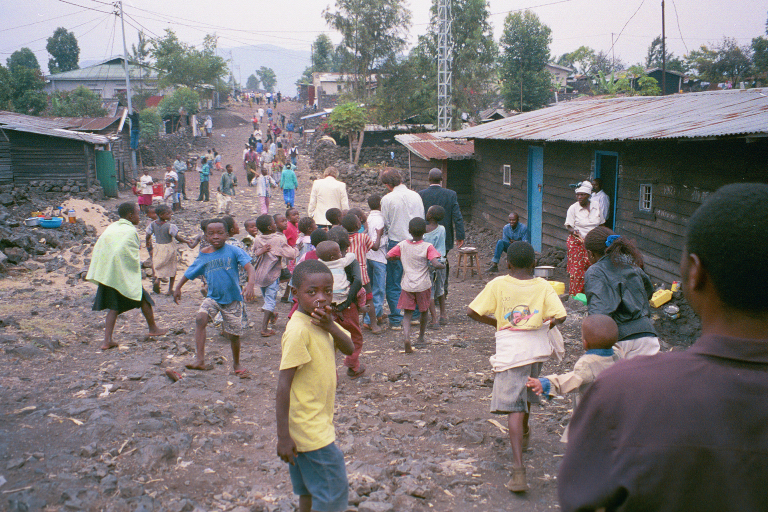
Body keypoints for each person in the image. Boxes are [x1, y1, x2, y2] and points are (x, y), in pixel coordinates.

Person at [559, 182, 768, 511]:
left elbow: (580, 498)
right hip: (646, 335)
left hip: (619, 342)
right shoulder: (635, 270)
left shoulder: (625, 392)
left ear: (694, 274)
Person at [466, 241, 567, 493]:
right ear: (534, 264)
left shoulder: (498, 284)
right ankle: (525, 433)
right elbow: (561, 315)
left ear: (507, 263)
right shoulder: (542, 285)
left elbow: (472, 311)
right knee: (527, 393)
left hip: (511, 349)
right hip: (536, 350)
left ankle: (519, 470)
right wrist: (544, 326)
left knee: (514, 406)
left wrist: (498, 323)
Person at [276, 260, 354, 512]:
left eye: (327, 291)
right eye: (312, 292)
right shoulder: (299, 330)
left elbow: (350, 348)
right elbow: (283, 385)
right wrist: (283, 437)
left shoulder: (322, 321)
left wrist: (331, 325)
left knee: (309, 491)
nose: (321, 299)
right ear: (295, 293)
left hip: (311, 421)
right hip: (309, 428)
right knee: (333, 493)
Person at [173, 218, 256, 376]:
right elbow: (190, 271)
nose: (215, 236)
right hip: (213, 297)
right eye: (211, 234)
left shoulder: (234, 250)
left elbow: (249, 267)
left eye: (220, 233)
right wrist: (178, 287)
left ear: (227, 234)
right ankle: (199, 360)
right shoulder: (204, 254)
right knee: (200, 319)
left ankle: (237, 364)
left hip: (232, 300)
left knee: (233, 335)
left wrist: (250, 284)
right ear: (205, 236)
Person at [86, 203, 167, 350]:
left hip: (108, 273)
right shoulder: (130, 231)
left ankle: (107, 340)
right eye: (137, 213)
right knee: (144, 298)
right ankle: (153, 329)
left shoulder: (113, 227)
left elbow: (102, 247)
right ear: (130, 215)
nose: (139, 216)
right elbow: (128, 254)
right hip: (121, 273)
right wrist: (133, 270)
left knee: (114, 307)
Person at [526, 314, 619, 442]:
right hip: (614, 412)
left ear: (585, 343)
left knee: (585, 442)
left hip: (591, 414)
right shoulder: (618, 355)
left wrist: (547, 383)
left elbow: (573, 379)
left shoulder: (587, 363)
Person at [583, 226, 661, 359]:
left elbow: (599, 312)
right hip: (647, 335)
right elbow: (648, 289)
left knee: (612, 379)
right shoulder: (630, 265)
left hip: (619, 340)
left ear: (590, 253)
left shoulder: (595, 271)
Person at [386, 218, 445, 353]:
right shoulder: (427, 246)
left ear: (409, 231)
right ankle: (421, 338)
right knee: (424, 312)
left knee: (407, 314)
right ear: (425, 231)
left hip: (407, 285)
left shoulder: (402, 245)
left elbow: (389, 256)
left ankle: (406, 337)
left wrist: (399, 258)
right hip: (423, 285)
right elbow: (435, 263)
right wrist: (442, 266)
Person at [316, 236, 366, 378]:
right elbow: (357, 280)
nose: (341, 254)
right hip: (345, 306)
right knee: (355, 336)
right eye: (339, 252)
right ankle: (353, 365)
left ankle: (332, 375)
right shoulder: (342, 262)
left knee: (328, 341)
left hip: (327, 308)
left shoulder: (319, 265)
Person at [381, 169, 425, 329]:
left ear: (387, 184)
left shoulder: (387, 199)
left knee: (394, 281)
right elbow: (422, 218)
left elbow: (385, 222)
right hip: (417, 241)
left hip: (397, 242)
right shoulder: (416, 195)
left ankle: (396, 318)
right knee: (415, 277)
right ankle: (414, 315)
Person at [247, 214, 298, 337]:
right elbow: (290, 254)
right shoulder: (278, 239)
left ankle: (272, 314)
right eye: (274, 223)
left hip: (259, 275)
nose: (276, 225)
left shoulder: (258, 238)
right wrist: (296, 249)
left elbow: (253, 254)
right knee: (270, 301)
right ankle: (264, 328)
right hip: (272, 275)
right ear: (270, 227)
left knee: (267, 299)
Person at [418, 168, 466, 297]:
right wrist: (460, 236)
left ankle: (427, 292)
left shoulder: (421, 194)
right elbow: (457, 216)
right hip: (445, 235)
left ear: (429, 179)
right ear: (441, 180)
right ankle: (442, 291)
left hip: (425, 234)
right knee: (443, 260)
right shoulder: (451, 194)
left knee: (425, 262)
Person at [342, 213, 381, 334]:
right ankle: (373, 325)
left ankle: (346, 324)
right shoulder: (363, 237)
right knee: (369, 299)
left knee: (346, 300)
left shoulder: (341, 238)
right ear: (358, 225)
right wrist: (378, 234)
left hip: (346, 275)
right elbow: (375, 247)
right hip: (362, 273)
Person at [564, 181, 604, 295]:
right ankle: (575, 296)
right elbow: (569, 227)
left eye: (582, 195)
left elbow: (601, 224)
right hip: (578, 242)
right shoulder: (573, 208)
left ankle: (591, 295)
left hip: (593, 242)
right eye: (578, 195)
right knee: (578, 271)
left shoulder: (596, 206)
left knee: (593, 268)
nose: (579, 197)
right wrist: (574, 231)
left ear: (589, 195)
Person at [146, 204, 193, 295]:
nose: (170, 216)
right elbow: (177, 237)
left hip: (158, 247)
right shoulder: (170, 226)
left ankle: (158, 280)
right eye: (168, 214)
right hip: (169, 247)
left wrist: (148, 243)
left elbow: (148, 235)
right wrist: (187, 241)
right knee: (172, 268)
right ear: (161, 215)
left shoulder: (152, 225)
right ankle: (170, 289)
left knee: (160, 266)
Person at [364, 194, 387, 331]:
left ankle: (376, 314)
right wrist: (386, 238)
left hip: (369, 256)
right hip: (379, 257)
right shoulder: (381, 219)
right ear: (381, 205)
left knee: (371, 289)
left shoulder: (369, 217)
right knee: (379, 290)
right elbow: (376, 242)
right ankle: (369, 320)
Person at [423, 205, 447, 329]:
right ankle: (443, 315)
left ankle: (434, 319)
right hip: (441, 262)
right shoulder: (442, 229)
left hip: (428, 264)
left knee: (430, 292)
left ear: (430, 216)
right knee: (441, 289)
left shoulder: (424, 230)